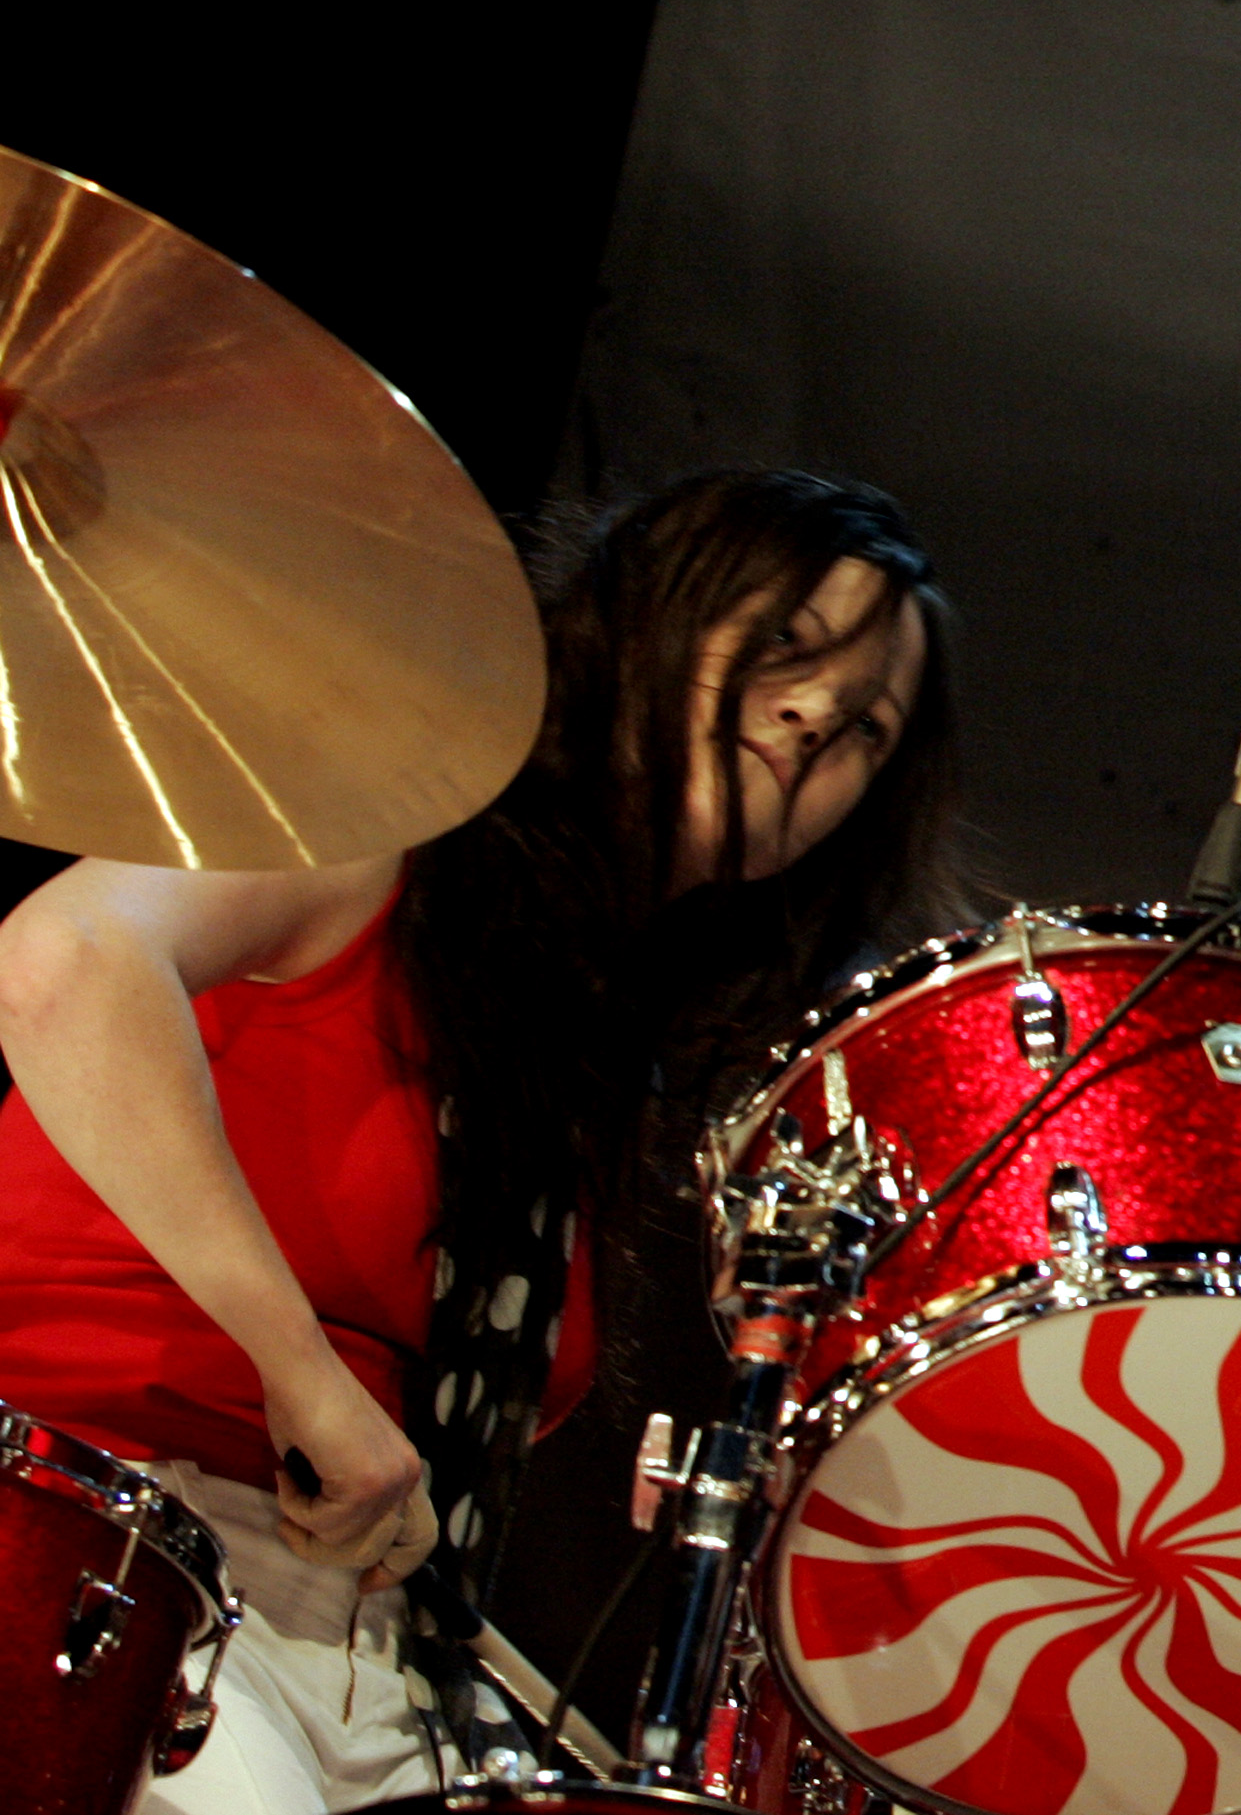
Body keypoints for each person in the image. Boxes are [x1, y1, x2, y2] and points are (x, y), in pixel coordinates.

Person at [0, 468, 970, 1812]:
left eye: (868, 723)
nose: (812, 715)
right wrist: (301, 1367)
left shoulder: (578, 1041)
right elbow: (59, 960)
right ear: (635, 621)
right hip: (89, 1540)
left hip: (339, 1642)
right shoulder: (387, 815)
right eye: (785, 650)